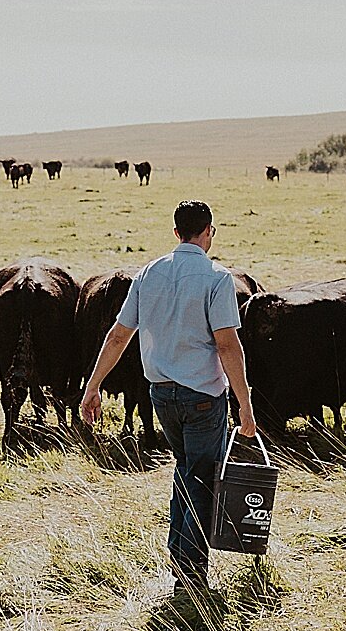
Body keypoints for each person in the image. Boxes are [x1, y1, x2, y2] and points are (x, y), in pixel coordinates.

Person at [80, 199, 258, 606]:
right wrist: (245, 407)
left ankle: (180, 559)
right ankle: (189, 574)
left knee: (187, 469)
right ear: (208, 232)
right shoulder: (217, 279)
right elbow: (228, 346)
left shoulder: (149, 274)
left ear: (176, 232)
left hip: (161, 394)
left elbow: (119, 335)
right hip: (203, 397)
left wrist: (93, 386)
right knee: (199, 478)